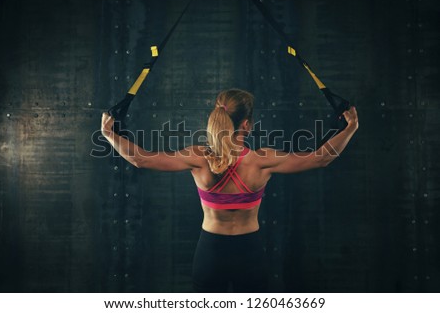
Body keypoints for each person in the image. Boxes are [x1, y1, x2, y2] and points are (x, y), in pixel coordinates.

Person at [101, 88, 359, 292]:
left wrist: (109, 134)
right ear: (246, 124)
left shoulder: (199, 158)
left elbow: (141, 159)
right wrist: (350, 128)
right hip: (250, 253)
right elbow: (320, 158)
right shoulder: (262, 160)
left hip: (210, 253)